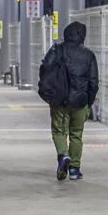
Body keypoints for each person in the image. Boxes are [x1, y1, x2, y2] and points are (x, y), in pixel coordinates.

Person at [40, 21, 99, 181]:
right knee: (76, 134)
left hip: (59, 99)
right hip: (80, 101)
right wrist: (89, 102)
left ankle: (63, 155)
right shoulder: (88, 55)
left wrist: (49, 93)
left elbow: (45, 70)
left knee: (59, 131)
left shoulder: (56, 50)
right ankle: (74, 169)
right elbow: (93, 82)